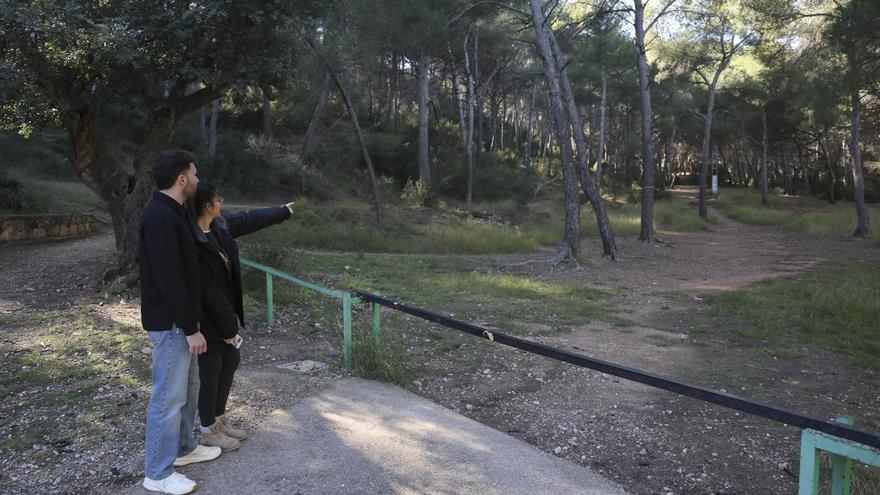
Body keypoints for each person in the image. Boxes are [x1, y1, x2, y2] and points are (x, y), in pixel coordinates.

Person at [188, 182, 295, 451]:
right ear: (208, 206)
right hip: (207, 316)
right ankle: (207, 429)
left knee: (230, 359)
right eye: (219, 199)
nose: (222, 203)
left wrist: (282, 211)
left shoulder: (218, 227)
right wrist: (228, 328)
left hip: (224, 311)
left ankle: (218, 420)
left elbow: (248, 220)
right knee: (211, 368)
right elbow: (208, 292)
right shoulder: (191, 240)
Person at [139, 150, 221, 495]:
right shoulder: (160, 217)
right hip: (173, 325)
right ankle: (157, 474)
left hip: (182, 323)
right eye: (195, 174)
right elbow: (169, 278)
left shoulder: (173, 213)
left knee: (188, 390)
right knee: (167, 399)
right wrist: (190, 328)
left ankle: (185, 449)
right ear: (182, 179)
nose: (199, 181)